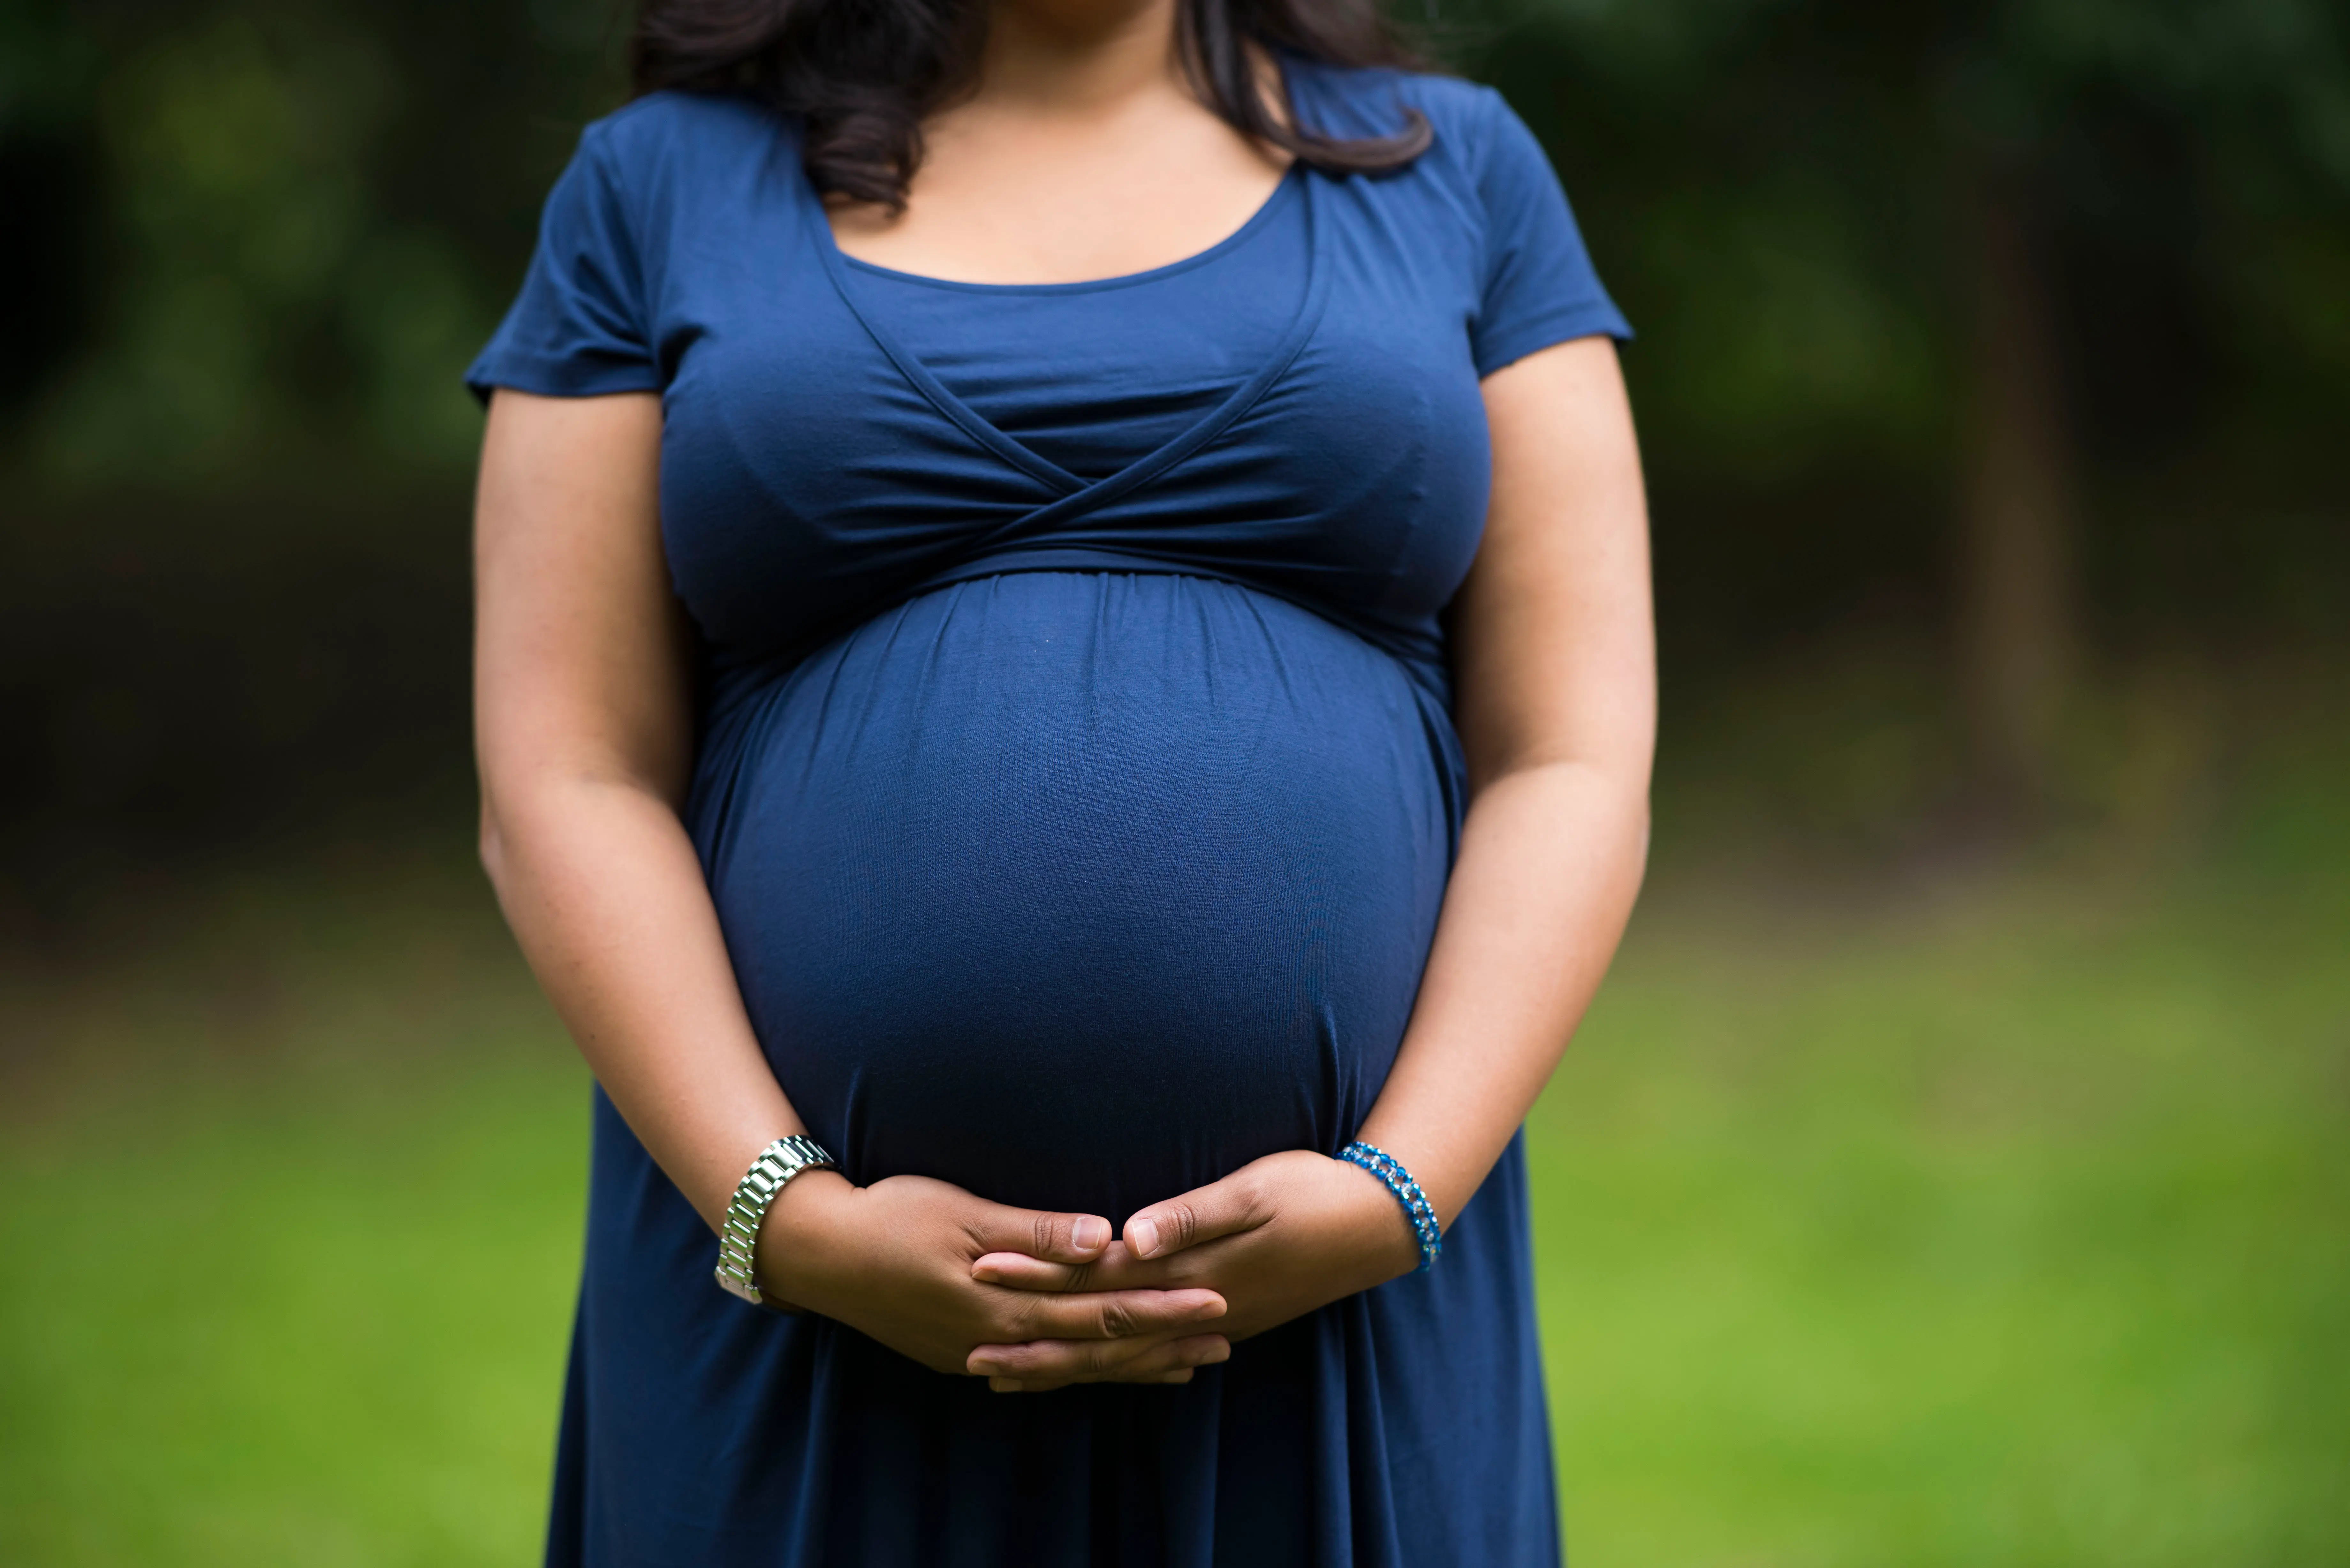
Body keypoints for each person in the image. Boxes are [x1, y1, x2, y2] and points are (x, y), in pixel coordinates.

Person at [466, 0, 1653, 1555]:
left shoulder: (1452, 170)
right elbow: (568, 770)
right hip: (805, 1332)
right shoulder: (657, 186)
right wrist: (792, 1219)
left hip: (1344, 1316)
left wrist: (1398, 1188)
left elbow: (1570, 752)